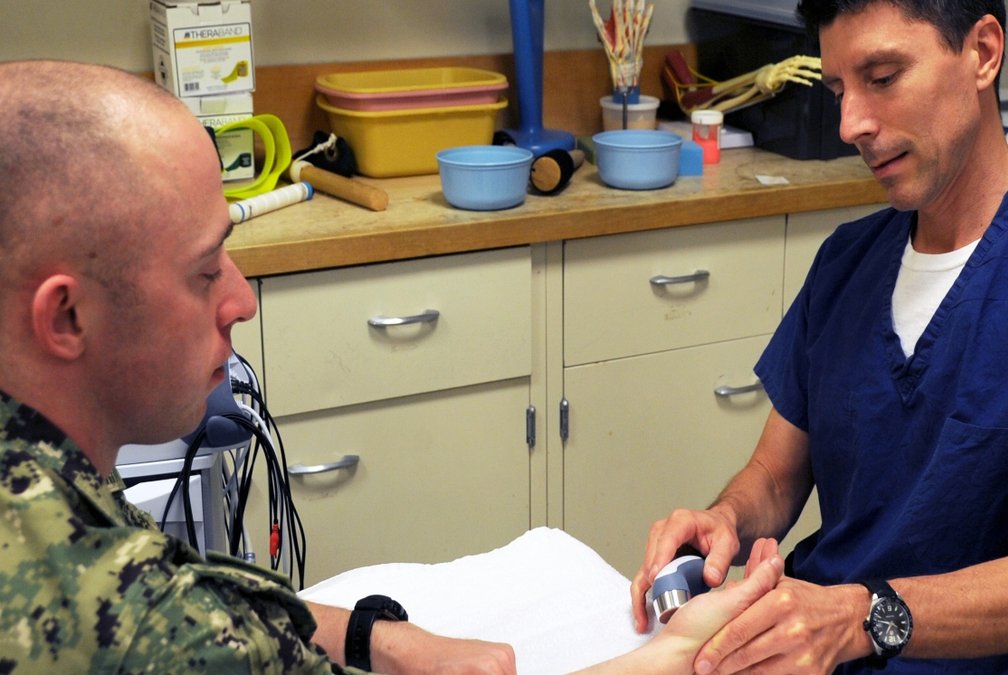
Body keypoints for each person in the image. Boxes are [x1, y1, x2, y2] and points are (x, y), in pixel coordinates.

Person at [0, 57, 789, 675]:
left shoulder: (47, 485)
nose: (242, 300)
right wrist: (680, 654)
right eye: (206, 271)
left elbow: (195, 586)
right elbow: (171, 619)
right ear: (65, 316)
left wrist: (383, 637)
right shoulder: (97, 604)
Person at [630, 1, 1008, 673]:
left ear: (982, 52)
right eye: (838, 90)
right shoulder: (846, 262)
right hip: (817, 646)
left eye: (883, 77)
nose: (850, 124)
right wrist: (726, 521)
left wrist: (860, 617)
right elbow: (774, 474)